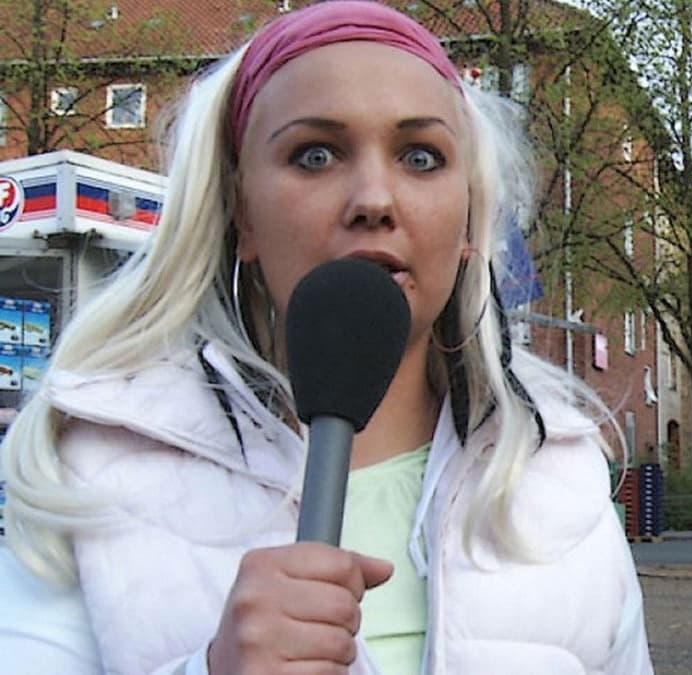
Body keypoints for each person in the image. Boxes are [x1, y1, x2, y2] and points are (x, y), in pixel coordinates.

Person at [0, 2, 652, 673]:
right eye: (315, 155)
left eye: (421, 157)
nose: (374, 199)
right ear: (241, 211)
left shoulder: (557, 478)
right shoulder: (91, 474)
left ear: (469, 219)